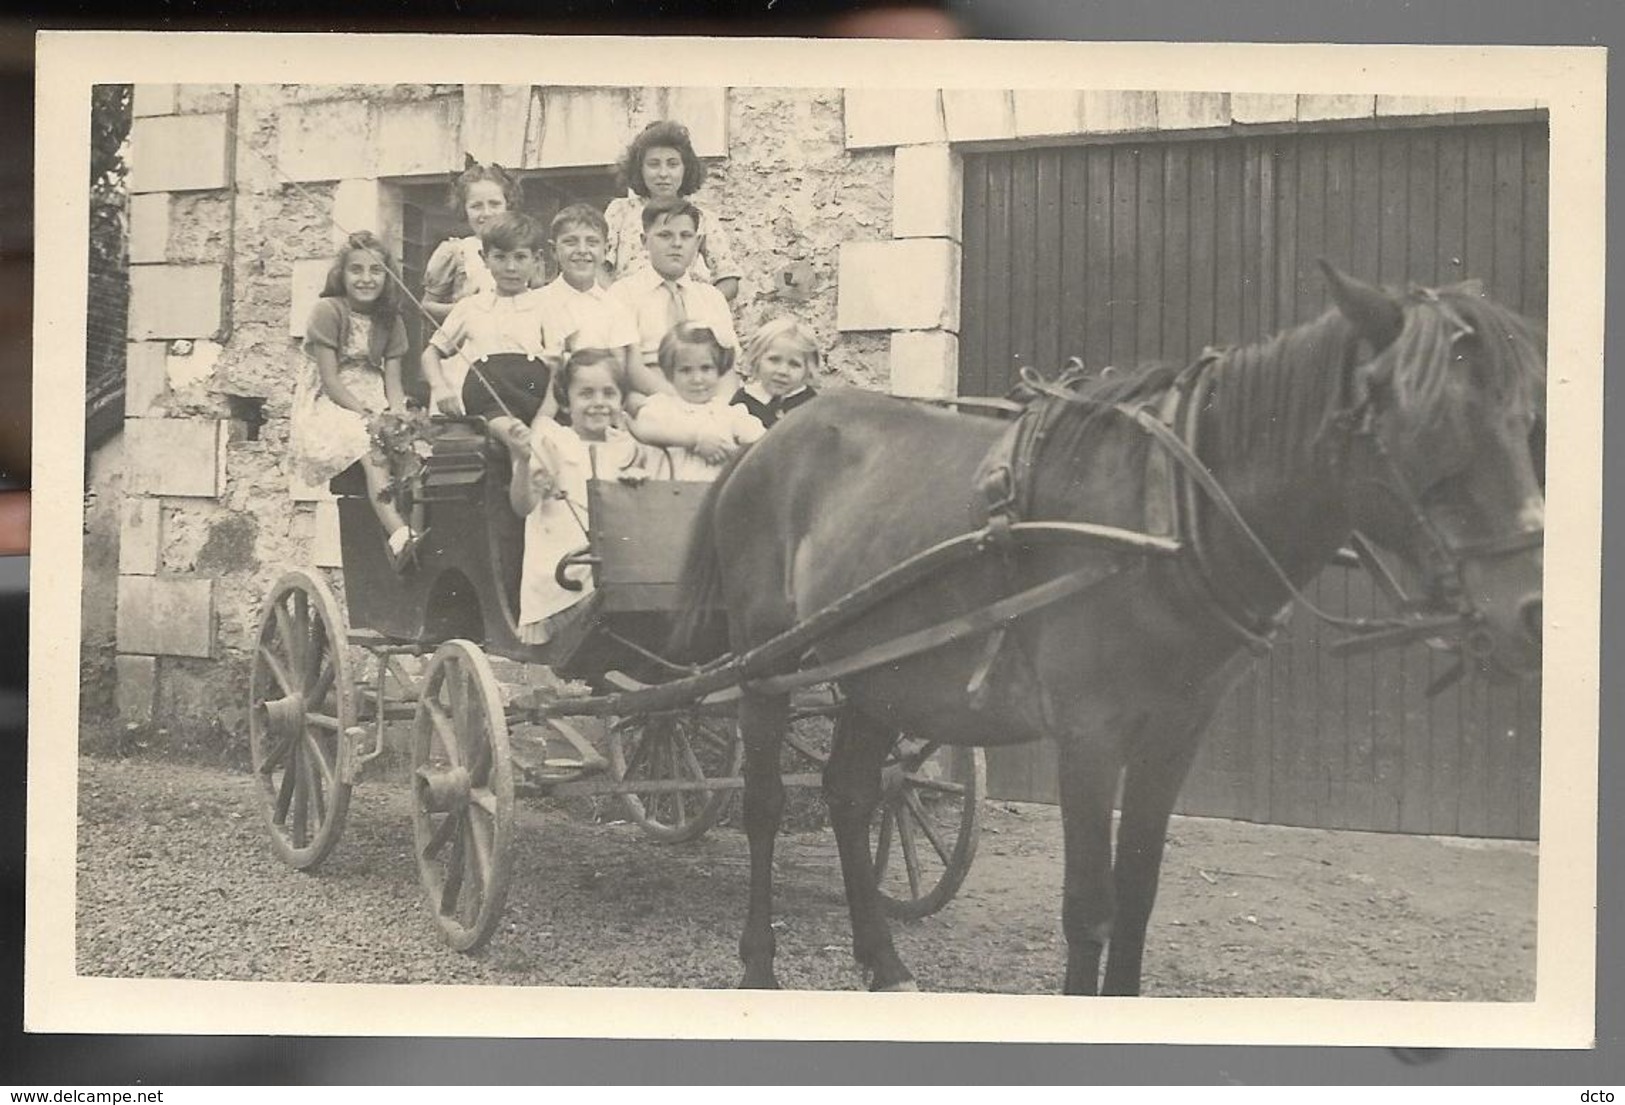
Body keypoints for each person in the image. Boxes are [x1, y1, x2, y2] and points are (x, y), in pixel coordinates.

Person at [288, 232, 419, 569]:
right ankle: (399, 533)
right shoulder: (328, 311)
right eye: (356, 270)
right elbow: (330, 381)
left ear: (387, 277)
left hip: (372, 395)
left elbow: (393, 380)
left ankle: (418, 528)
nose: (366, 279)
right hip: (332, 403)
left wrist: (398, 415)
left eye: (376, 271)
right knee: (370, 443)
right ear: (341, 275)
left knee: (414, 447)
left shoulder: (391, 320)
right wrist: (368, 417)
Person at [509, 349, 653, 644]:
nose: (599, 403)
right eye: (586, 394)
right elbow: (523, 506)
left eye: (609, 393)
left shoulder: (628, 448)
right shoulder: (554, 442)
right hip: (566, 581)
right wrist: (524, 464)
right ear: (566, 400)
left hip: (615, 577)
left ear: (621, 400)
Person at [420, 212, 554, 463]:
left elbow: (559, 367)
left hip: (534, 397)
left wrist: (544, 417)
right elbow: (431, 352)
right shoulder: (471, 307)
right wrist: (440, 387)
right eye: (500, 257)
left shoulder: (546, 306)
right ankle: (517, 450)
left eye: (520, 257)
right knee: (516, 437)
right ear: (484, 258)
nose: (510, 267)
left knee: (543, 443)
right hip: (489, 401)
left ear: (537, 260)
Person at [609, 199, 740, 408]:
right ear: (644, 241)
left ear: (697, 243)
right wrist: (679, 404)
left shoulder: (711, 298)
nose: (677, 244)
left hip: (707, 398)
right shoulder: (623, 294)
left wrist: (720, 408)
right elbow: (627, 367)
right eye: (665, 235)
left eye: (686, 236)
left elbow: (728, 369)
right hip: (650, 397)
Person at [421, 159, 528, 400]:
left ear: (508, 205)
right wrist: (466, 310)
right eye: (476, 206)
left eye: (494, 204)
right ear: (464, 209)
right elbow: (426, 306)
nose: (486, 212)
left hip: (510, 351)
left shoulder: (520, 253)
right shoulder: (455, 251)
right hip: (465, 355)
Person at [602, 120, 741, 302]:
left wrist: (700, 306)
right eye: (654, 164)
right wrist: (619, 303)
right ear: (639, 170)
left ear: (686, 169)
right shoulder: (620, 211)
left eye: (672, 164)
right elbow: (599, 268)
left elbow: (728, 278)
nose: (663, 173)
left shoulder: (703, 218)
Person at [631, 322, 765, 482]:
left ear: (719, 370)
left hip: (711, 498)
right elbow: (644, 429)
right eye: (685, 370)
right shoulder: (662, 407)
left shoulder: (729, 413)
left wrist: (735, 454)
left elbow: (763, 443)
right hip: (666, 497)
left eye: (706, 368)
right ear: (669, 373)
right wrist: (695, 440)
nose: (697, 379)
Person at [533, 203, 639, 386]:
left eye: (592, 242)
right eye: (570, 242)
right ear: (553, 250)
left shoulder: (616, 307)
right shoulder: (537, 303)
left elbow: (619, 368)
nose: (582, 250)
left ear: (606, 251)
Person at [731, 316, 821, 429]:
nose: (783, 371)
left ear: (807, 370)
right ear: (757, 360)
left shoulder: (811, 404)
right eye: (774, 360)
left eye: (794, 364)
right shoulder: (744, 400)